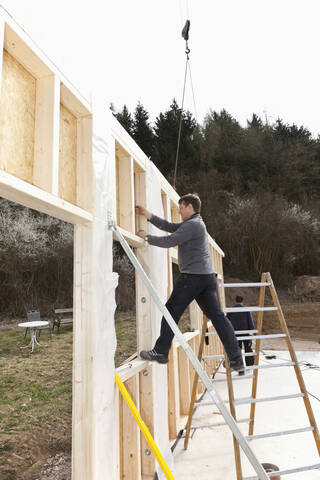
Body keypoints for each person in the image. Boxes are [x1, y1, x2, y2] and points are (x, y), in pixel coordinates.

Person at [135, 193, 244, 373]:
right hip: (206, 278)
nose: (179, 210)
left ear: (190, 207)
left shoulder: (193, 225)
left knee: (170, 311)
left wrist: (147, 237)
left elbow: (171, 240)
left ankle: (160, 351)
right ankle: (236, 358)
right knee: (218, 317)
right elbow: (170, 227)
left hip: (193, 277)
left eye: (181, 207)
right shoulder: (194, 224)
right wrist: (148, 215)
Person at [227, 295, 255, 368]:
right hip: (245, 333)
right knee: (248, 348)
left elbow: (227, 321)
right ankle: (250, 366)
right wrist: (251, 332)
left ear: (235, 301)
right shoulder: (246, 309)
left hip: (235, 333)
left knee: (237, 350)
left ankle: (240, 367)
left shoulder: (231, 310)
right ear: (242, 301)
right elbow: (250, 321)